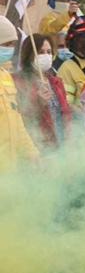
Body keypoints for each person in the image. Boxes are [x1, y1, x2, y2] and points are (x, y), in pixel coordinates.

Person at [14, 33, 71, 149]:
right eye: (40, 52)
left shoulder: (56, 82)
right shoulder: (18, 83)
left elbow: (65, 114)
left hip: (61, 145)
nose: (46, 56)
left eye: (49, 52)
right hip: (36, 146)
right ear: (29, 55)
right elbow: (19, 119)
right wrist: (38, 103)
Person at [0, 17, 39, 170]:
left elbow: (15, 119)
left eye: (12, 45)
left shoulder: (5, 76)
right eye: (6, 45)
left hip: (10, 166)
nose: (10, 50)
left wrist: (30, 149)